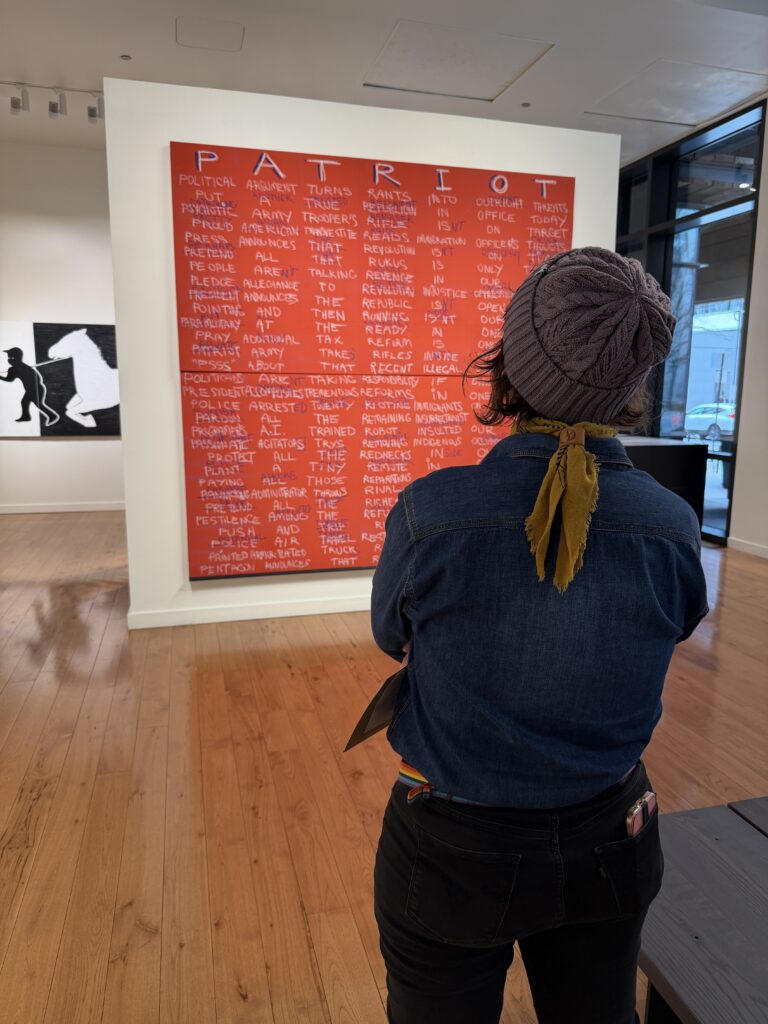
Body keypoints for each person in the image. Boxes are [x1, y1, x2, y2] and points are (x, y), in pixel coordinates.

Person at [370, 247, 709, 1024]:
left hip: (451, 849)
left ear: (507, 364)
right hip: (613, 839)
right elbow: (681, 623)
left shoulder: (432, 513)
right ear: (631, 385)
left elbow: (391, 637)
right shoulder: (673, 528)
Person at [0, 347, 59, 426]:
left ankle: (52, 416)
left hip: (36, 389)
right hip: (31, 390)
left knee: (38, 404)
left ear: (17, 358)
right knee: (24, 402)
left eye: (11, 357)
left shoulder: (19, 368)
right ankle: (26, 416)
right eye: (9, 357)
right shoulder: (13, 369)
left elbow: (38, 378)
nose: (9, 359)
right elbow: (9, 379)